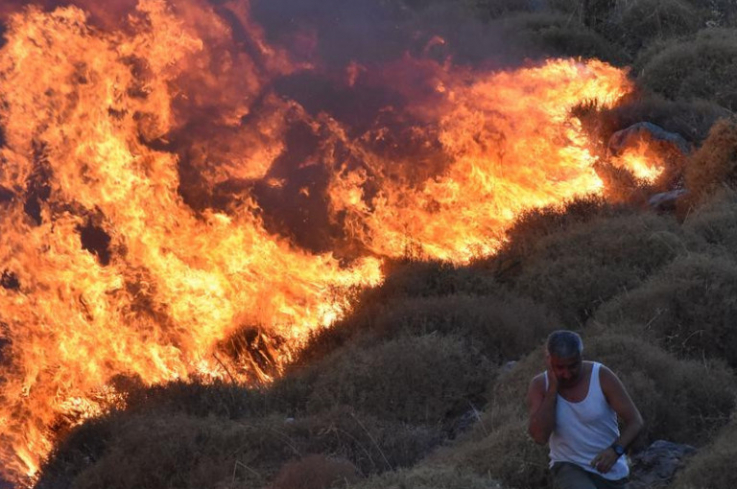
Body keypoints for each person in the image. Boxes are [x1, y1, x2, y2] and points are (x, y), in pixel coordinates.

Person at [526, 330, 644, 489]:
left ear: (581, 357)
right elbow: (539, 437)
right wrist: (553, 388)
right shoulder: (540, 385)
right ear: (549, 361)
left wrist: (616, 451)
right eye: (559, 367)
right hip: (568, 465)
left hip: (609, 470)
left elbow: (635, 421)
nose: (566, 374)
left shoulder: (601, 376)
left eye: (573, 366)